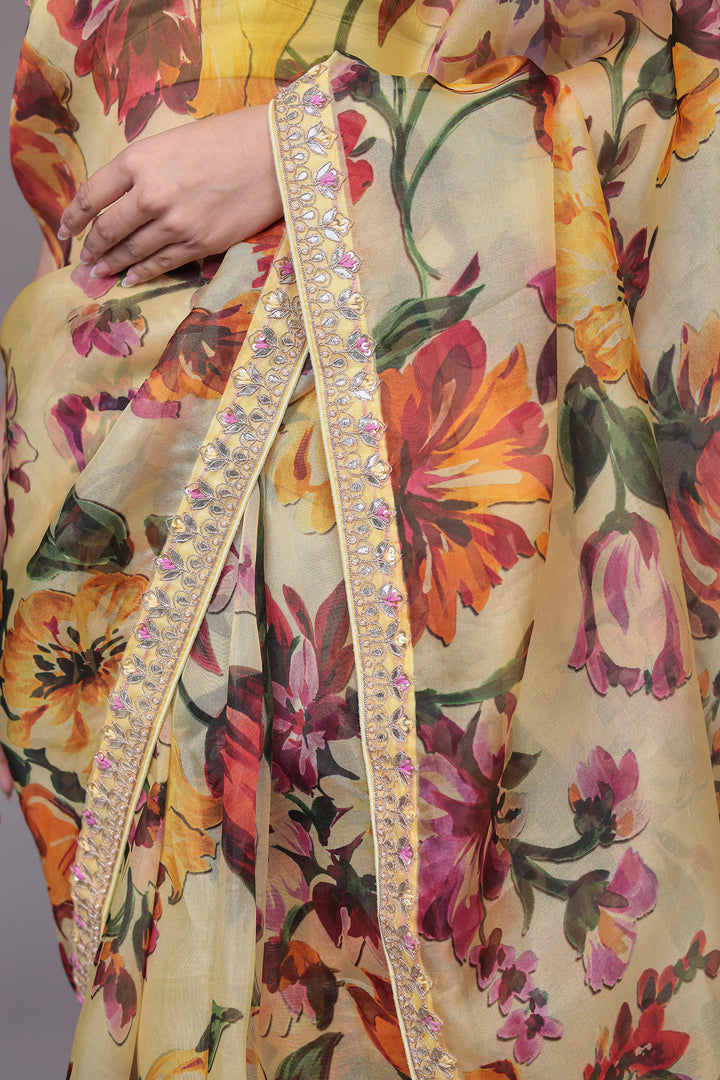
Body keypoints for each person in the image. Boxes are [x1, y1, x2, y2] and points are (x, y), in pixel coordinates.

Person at [2, 0, 720, 1077]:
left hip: (424, 509)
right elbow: (84, 130)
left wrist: (301, 146)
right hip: (138, 465)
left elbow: (663, 70)